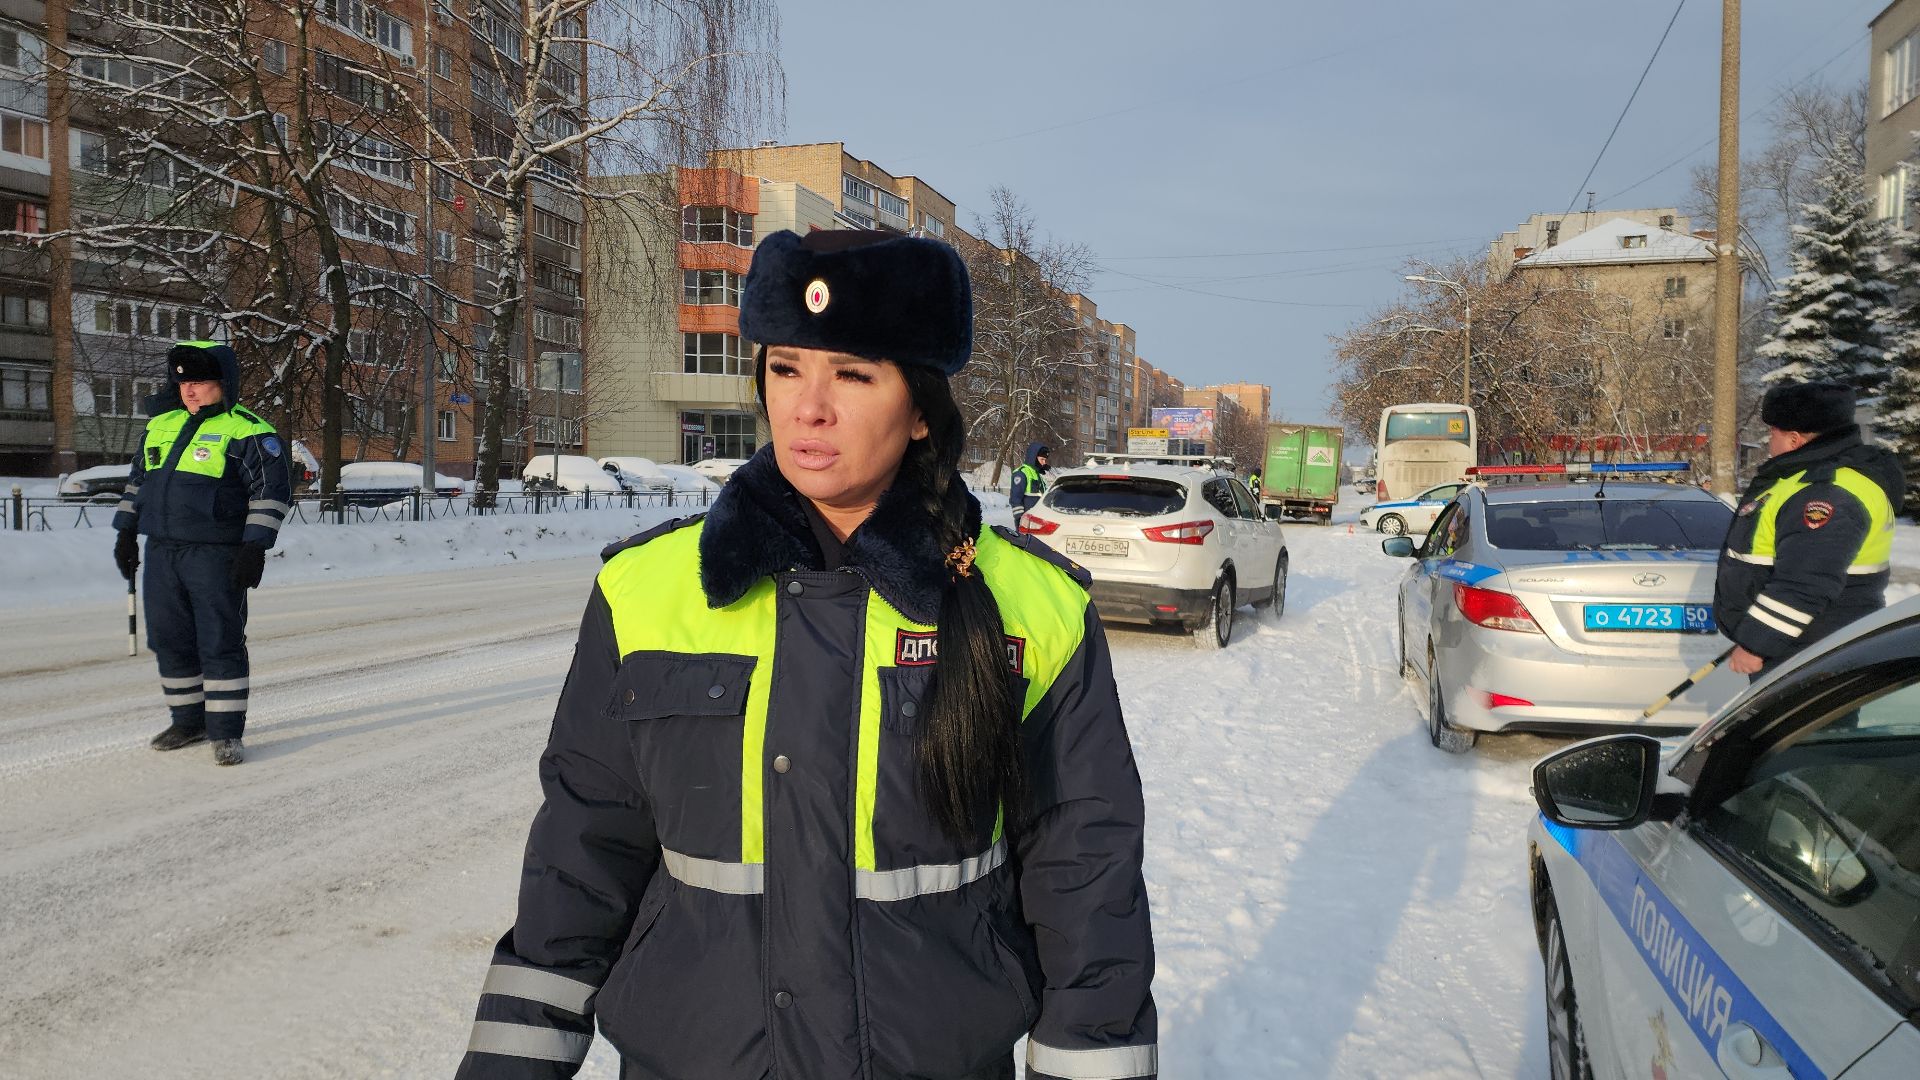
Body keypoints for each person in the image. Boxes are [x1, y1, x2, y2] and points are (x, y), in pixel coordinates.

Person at [455, 230, 1157, 1080]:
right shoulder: (646, 592)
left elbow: (1087, 883)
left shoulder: (1036, 609)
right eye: (786, 369)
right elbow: (581, 856)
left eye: (852, 375)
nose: (807, 408)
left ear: (922, 408)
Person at [112, 341, 291, 766]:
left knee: (220, 640)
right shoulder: (161, 425)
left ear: (223, 382)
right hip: (162, 551)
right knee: (169, 639)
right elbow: (138, 483)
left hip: (215, 555)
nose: (189, 390)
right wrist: (126, 533)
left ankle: (226, 733)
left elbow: (270, 492)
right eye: (182, 383)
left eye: (199, 382)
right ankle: (188, 722)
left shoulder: (248, 431)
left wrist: (254, 546)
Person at [1714, 381, 1903, 678]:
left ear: (1794, 439)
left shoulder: (1827, 493)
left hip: (1814, 651)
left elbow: (1805, 582)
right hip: (1798, 641)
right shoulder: (1804, 480)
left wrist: (1755, 644)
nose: (1768, 441)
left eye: (1773, 433)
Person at [1010, 441, 1049, 530]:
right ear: (1034, 457)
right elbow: (1016, 499)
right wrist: (1020, 519)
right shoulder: (1021, 473)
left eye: (1045, 460)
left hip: (1038, 520)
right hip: (1027, 521)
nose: (1044, 463)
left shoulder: (1037, 475)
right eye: (1042, 459)